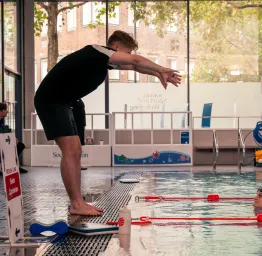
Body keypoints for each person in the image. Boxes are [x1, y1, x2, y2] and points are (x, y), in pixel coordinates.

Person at [34, 30, 181, 216]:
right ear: (116, 47)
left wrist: (157, 74)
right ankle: (76, 203)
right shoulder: (96, 51)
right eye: (127, 53)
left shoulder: (104, 61)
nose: (128, 58)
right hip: (51, 100)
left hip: (68, 101)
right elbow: (135, 61)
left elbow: (135, 67)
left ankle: (78, 201)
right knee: (70, 150)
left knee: (76, 150)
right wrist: (161, 68)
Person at [0, 103, 28, 174]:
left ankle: (14, 166)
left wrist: (13, 139)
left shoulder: (2, 121)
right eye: (5, 109)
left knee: (20, 145)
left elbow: (4, 132)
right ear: (1, 111)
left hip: (3, 142)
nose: (7, 111)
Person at [70, 99, 87, 171]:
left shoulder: (79, 99)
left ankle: (78, 164)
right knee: (75, 146)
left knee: (79, 146)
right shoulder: (72, 100)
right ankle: (75, 164)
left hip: (81, 125)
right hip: (75, 125)